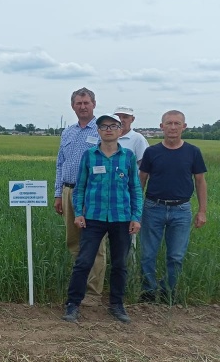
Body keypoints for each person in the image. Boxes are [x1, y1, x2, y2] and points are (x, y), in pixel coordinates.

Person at [63, 114, 143, 324]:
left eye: (113, 126)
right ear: (98, 131)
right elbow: (80, 188)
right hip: (93, 218)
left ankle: (117, 305)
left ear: (120, 130)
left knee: (119, 264)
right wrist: (78, 213)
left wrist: (136, 217)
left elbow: (135, 188)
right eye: (104, 126)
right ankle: (73, 304)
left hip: (121, 217)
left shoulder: (128, 157)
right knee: (83, 262)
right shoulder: (89, 156)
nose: (108, 129)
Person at [139, 110, 208, 303]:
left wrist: (202, 211)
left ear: (184, 127)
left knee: (176, 256)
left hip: (181, 210)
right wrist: (136, 210)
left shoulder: (193, 152)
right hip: (153, 207)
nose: (173, 127)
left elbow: (200, 181)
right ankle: (149, 292)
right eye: (169, 123)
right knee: (148, 254)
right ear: (161, 127)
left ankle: (168, 291)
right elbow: (141, 180)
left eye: (177, 123)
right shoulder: (151, 152)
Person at [54, 87, 106, 304]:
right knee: (74, 241)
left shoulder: (102, 130)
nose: (82, 106)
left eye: (86, 102)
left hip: (92, 193)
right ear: (72, 106)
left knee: (96, 243)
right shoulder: (68, 132)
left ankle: (94, 294)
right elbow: (60, 163)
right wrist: (58, 194)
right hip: (68, 191)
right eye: (78, 103)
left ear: (94, 104)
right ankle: (80, 285)